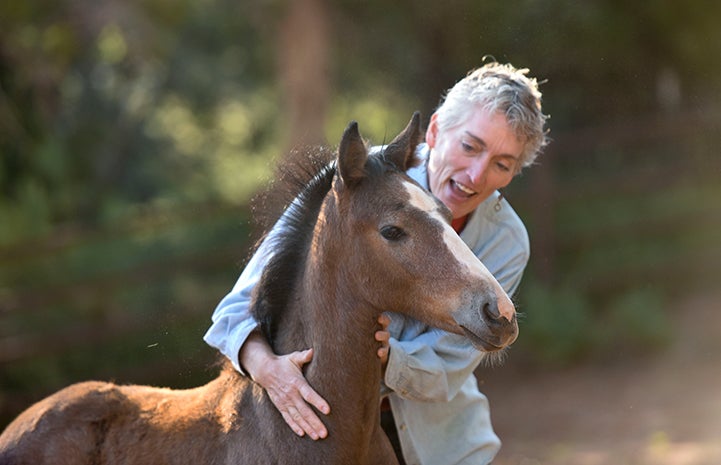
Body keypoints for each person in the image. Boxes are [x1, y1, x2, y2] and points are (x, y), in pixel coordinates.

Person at [204, 60, 549, 465]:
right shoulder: (354, 182)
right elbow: (233, 311)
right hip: (321, 431)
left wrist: (387, 356)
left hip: (438, 444)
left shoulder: (505, 240)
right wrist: (268, 370)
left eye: (502, 164)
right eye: (470, 146)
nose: (475, 174)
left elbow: (449, 365)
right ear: (435, 130)